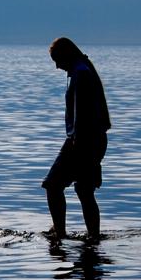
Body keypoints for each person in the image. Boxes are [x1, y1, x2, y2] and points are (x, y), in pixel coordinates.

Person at [41, 37, 111, 240]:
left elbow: (82, 114)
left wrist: (78, 146)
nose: (56, 66)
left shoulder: (81, 75)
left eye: (57, 60)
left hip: (82, 140)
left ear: (66, 55)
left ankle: (60, 233)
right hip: (94, 139)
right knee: (84, 190)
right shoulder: (84, 69)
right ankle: (93, 237)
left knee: (52, 185)